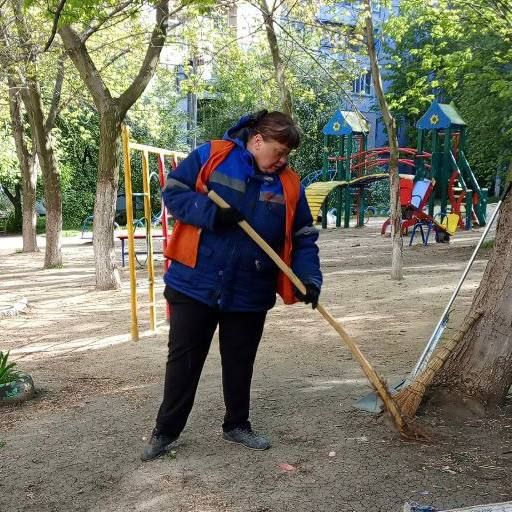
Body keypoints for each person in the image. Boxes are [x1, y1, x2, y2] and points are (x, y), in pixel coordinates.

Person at [141, 110, 322, 461]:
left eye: (287, 155)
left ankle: (237, 425)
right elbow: (173, 192)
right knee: (184, 361)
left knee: (240, 361)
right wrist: (211, 213)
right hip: (195, 281)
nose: (282, 161)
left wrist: (309, 278)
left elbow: (303, 237)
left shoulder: (289, 185)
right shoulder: (213, 155)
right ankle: (165, 431)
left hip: (251, 286)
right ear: (258, 141)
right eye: (279, 152)